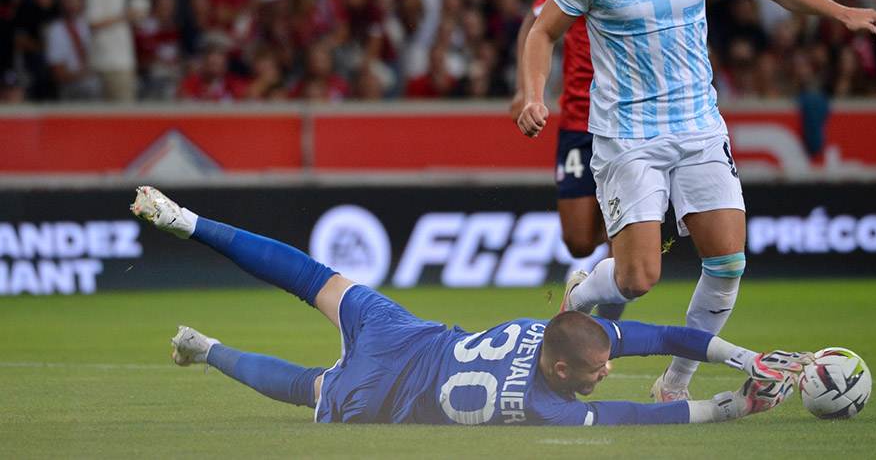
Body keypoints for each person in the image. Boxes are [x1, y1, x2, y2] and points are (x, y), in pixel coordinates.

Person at [516, 0, 876, 403]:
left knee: (727, 263)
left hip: (699, 128)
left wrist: (840, 13)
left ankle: (674, 384)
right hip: (629, 137)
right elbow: (542, 33)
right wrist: (535, 95)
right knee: (637, 280)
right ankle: (582, 293)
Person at [130, 185, 812, 426]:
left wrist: (746, 359)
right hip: (382, 392)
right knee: (304, 387)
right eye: (597, 369)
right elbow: (639, 413)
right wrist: (731, 405)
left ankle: (187, 221)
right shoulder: (546, 408)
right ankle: (207, 350)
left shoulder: (554, 333)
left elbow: (660, 337)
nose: (607, 370)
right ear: (561, 369)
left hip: (406, 334)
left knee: (311, 276)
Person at [510, 0, 623, 321]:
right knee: (578, 241)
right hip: (578, 120)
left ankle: (605, 329)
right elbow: (535, 22)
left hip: (628, 125)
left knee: (623, 238)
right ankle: (594, 283)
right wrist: (524, 89)